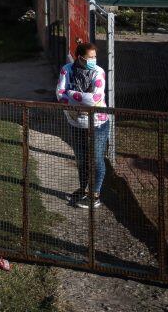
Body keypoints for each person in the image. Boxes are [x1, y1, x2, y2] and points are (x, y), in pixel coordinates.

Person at [56, 42, 110, 209]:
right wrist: (79, 97)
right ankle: (83, 189)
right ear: (80, 58)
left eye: (95, 57)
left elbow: (94, 99)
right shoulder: (67, 69)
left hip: (98, 123)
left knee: (96, 158)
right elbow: (59, 94)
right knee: (81, 158)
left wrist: (70, 94)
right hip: (76, 122)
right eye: (90, 57)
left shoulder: (98, 72)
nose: (94, 60)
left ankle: (95, 195)